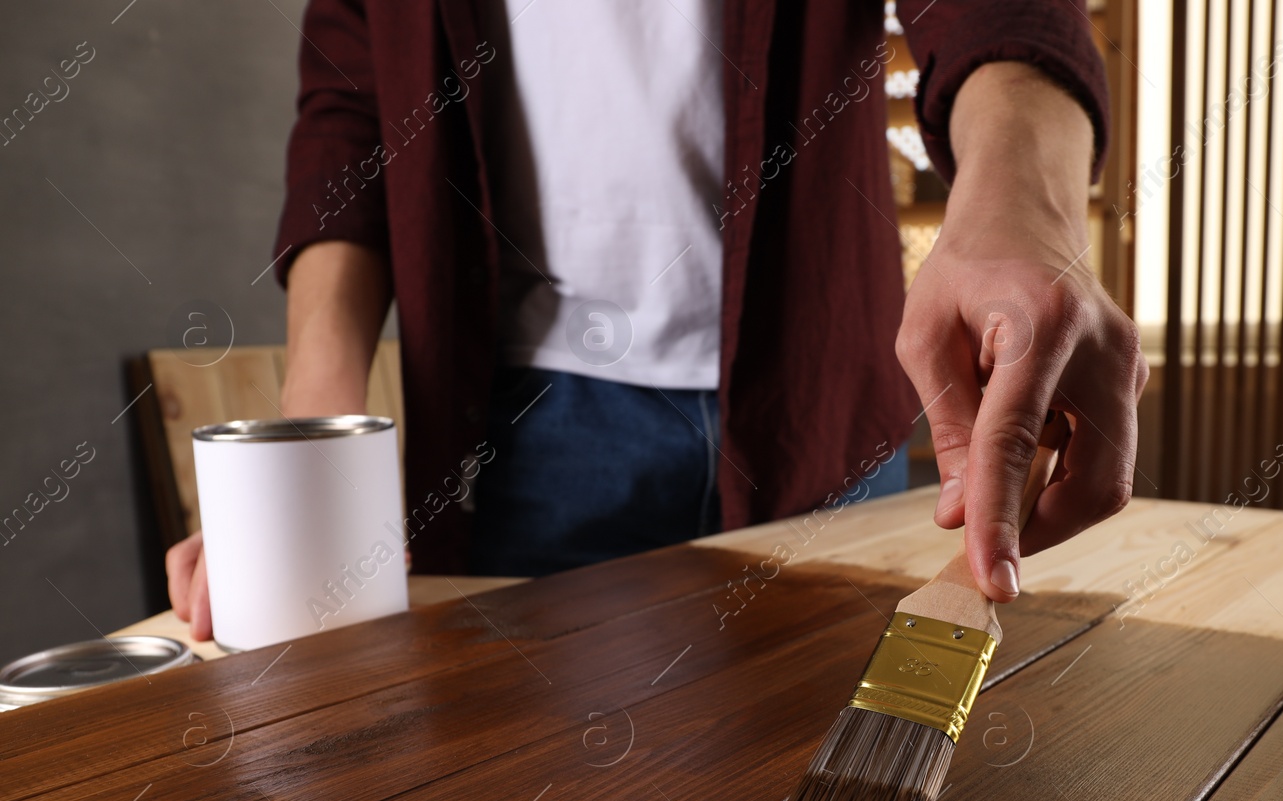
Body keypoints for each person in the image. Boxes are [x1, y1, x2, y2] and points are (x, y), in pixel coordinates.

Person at [167, 0, 1146, 641]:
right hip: (522, 436)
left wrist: (1026, 189)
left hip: (816, 397)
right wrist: (305, 449)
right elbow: (350, 99)